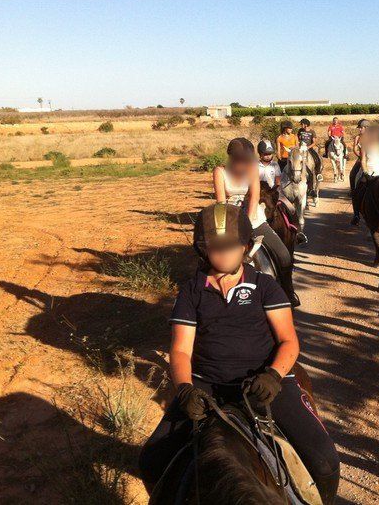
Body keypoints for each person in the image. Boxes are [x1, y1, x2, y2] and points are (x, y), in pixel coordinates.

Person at [138, 204, 339, 503]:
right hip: (206, 386)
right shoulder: (191, 292)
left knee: (324, 461)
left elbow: (288, 341)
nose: (222, 253)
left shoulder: (265, 286)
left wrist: (273, 376)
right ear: (202, 249)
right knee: (151, 460)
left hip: (266, 384)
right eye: (213, 247)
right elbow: (180, 350)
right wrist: (184, 390)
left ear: (245, 246)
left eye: (230, 246)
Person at [212, 137, 300, 307]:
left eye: (245, 159)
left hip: (253, 219)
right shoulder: (219, 172)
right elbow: (221, 203)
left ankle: (288, 292)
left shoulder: (252, 169)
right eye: (239, 160)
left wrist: (247, 225)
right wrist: (228, 229)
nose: (242, 164)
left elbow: (253, 198)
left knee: (284, 255)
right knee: (209, 259)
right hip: (228, 219)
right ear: (230, 157)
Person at [349, 124, 379, 225]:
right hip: (369, 173)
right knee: (358, 191)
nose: (375, 136)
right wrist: (365, 173)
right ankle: (356, 215)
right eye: (373, 134)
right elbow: (363, 161)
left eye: (376, 134)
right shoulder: (365, 146)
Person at [348, 118, 371, 197]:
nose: (360, 129)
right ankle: (353, 191)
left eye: (361, 128)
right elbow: (355, 149)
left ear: (366, 128)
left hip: (372, 158)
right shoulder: (357, 137)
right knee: (352, 174)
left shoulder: (371, 137)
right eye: (359, 128)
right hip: (361, 158)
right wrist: (361, 157)